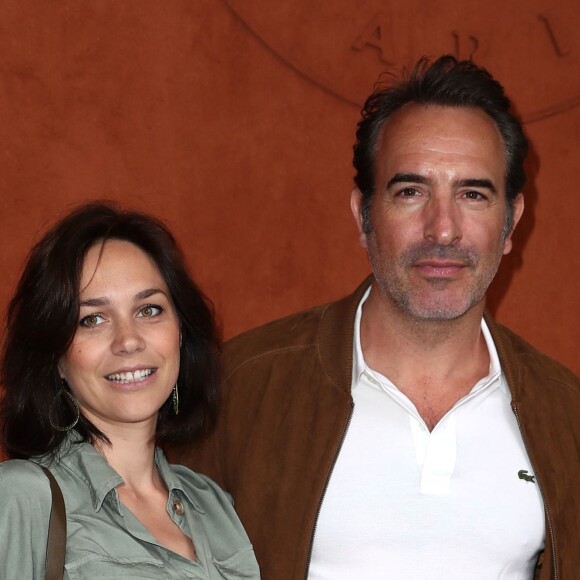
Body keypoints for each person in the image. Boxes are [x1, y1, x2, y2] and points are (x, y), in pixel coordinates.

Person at [170, 56, 580, 580]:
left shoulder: (564, 417)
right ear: (363, 217)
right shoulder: (240, 387)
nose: (443, 230)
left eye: (472, 194)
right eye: (411, 192)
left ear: (511, 223)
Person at [0, 202, 260, 579]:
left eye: (149, 310)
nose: (128, 341)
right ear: (55, 355)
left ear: (180, 333)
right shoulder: (21, 498)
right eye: (92, 319)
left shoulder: (214, 505)